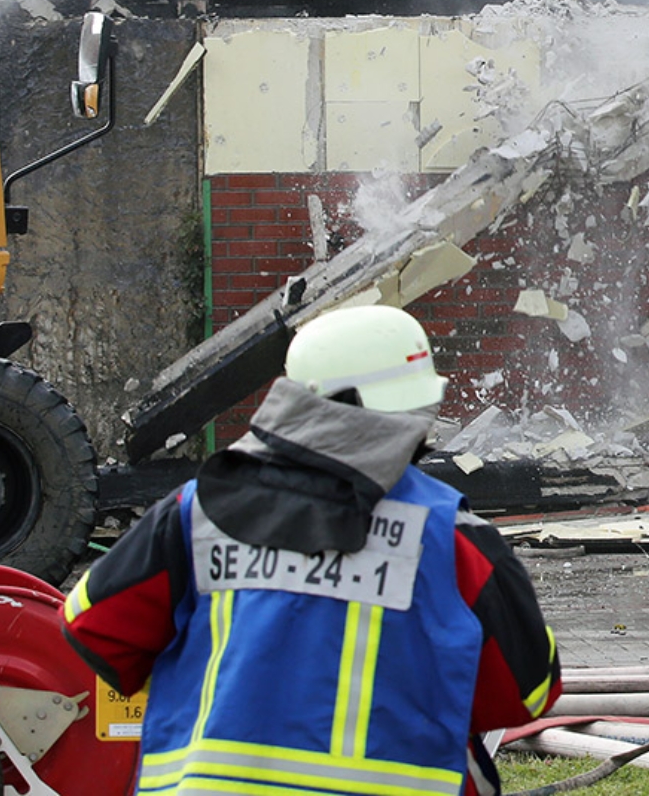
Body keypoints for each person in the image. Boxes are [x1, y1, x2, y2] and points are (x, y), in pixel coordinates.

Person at [63, 305, 562, 796]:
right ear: (414, 412)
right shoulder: (455, 539)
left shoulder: (198, 511)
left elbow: (92, 627)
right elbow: (528, 693)